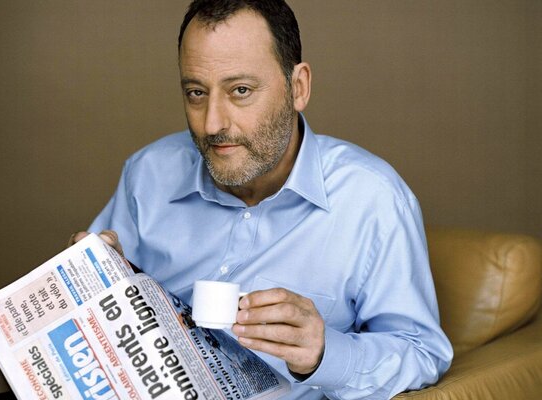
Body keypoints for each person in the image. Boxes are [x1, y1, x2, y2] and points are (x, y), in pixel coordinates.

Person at [70, 0, 453, 398]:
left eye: (240, 90)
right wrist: (80, 284)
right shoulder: (148, 173)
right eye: (196, 92)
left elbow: (422, 353)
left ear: (298, 87)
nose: (212, 123)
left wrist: (323, 354)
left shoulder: (372, 199)